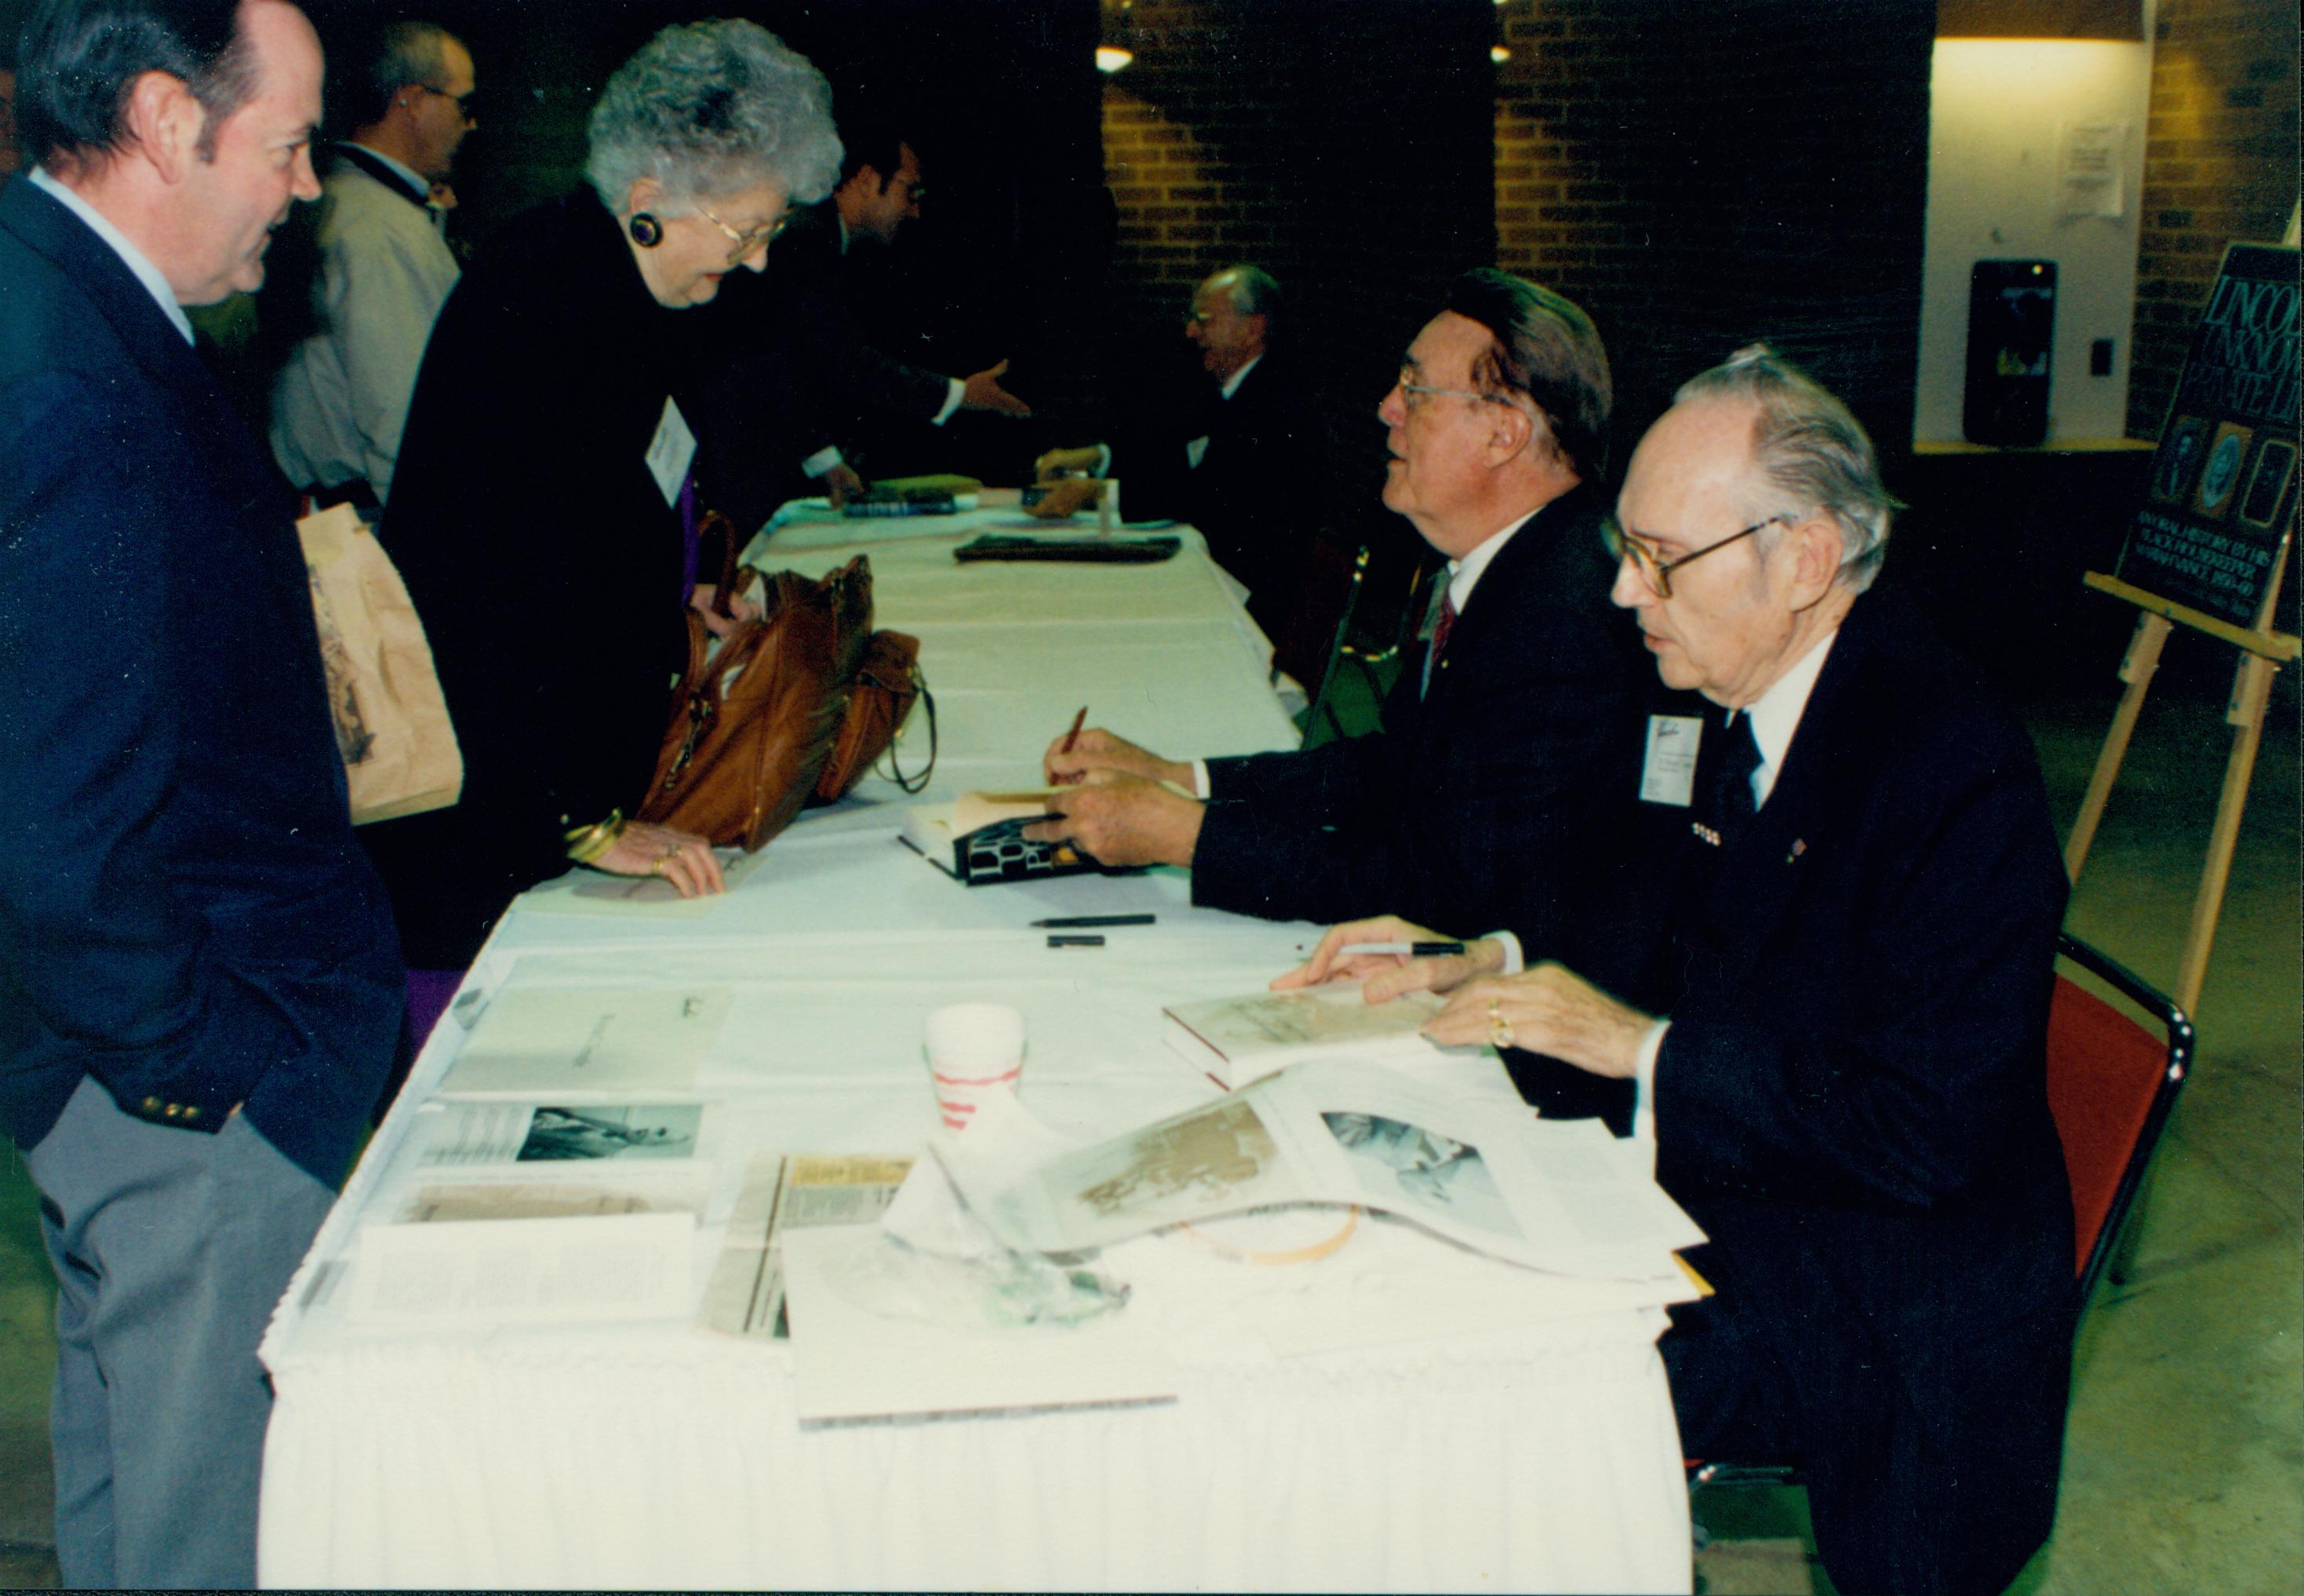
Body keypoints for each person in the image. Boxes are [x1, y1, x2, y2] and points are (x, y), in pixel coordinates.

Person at [1287, 349, 2074, 1596]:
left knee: (1466, 1382)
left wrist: (1639, 1047)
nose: (1618, 588)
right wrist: (1481, 958)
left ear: (1805, 557)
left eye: (1658, 555)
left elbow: (1926, 1129)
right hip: (1744, 1191)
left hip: (1876, 1290)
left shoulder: (1947, 765)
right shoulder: (1725, 677)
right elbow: (1642, 895)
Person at [0, 2, 404, 1584]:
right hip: (175, 1088)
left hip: (117, 1067)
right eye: (291, 144)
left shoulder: (70, 304)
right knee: (204, 1535)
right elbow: (54, 812)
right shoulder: (72, 378)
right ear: (170, 122)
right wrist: (198, 1070)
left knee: (127, 1495)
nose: (308, 189)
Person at [362, 17, 843, 971]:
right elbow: (490, 600)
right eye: (746, 230)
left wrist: (684, 600)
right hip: (490, 820)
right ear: (649, 198)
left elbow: (607, 530)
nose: (754, 261)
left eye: (771, 231)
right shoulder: (551, 305)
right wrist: (576, 825)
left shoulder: (626, 289)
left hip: (550, 778)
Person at [1032, 269, 1648, 957]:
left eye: (1415, 389)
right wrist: (1183, 778)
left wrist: (1188, 836)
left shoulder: (1564, 621)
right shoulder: (1512, 564)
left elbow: (1446, 893)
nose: (1386, 407)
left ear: (1503, 434)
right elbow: (1394, 771)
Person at [691, 116, 1030, 522]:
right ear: (868, 179)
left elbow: (786, 366)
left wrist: (825, 461)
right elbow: (844, 362)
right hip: (733, 462)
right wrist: (962, 394)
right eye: (910, 190)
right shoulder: (809, 239)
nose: (915, 211)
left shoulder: (819, 237)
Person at [1030, 265, 1343, 678]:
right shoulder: (1233, 390)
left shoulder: (1279, 406)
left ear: (1253, 330)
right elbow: (1173, 455)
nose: (1191, 333)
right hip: (1220, 570)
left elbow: (1207, 497)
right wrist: (1096, 457)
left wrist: (1099, 492)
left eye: (1204, 320)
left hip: (1250, 601)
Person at [267, 18, 475, 507]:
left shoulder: (346, 203)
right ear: (413, 101)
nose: (471, 125)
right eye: (463, 105)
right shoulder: (378, 230)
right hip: (379, 521)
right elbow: (402, 425)